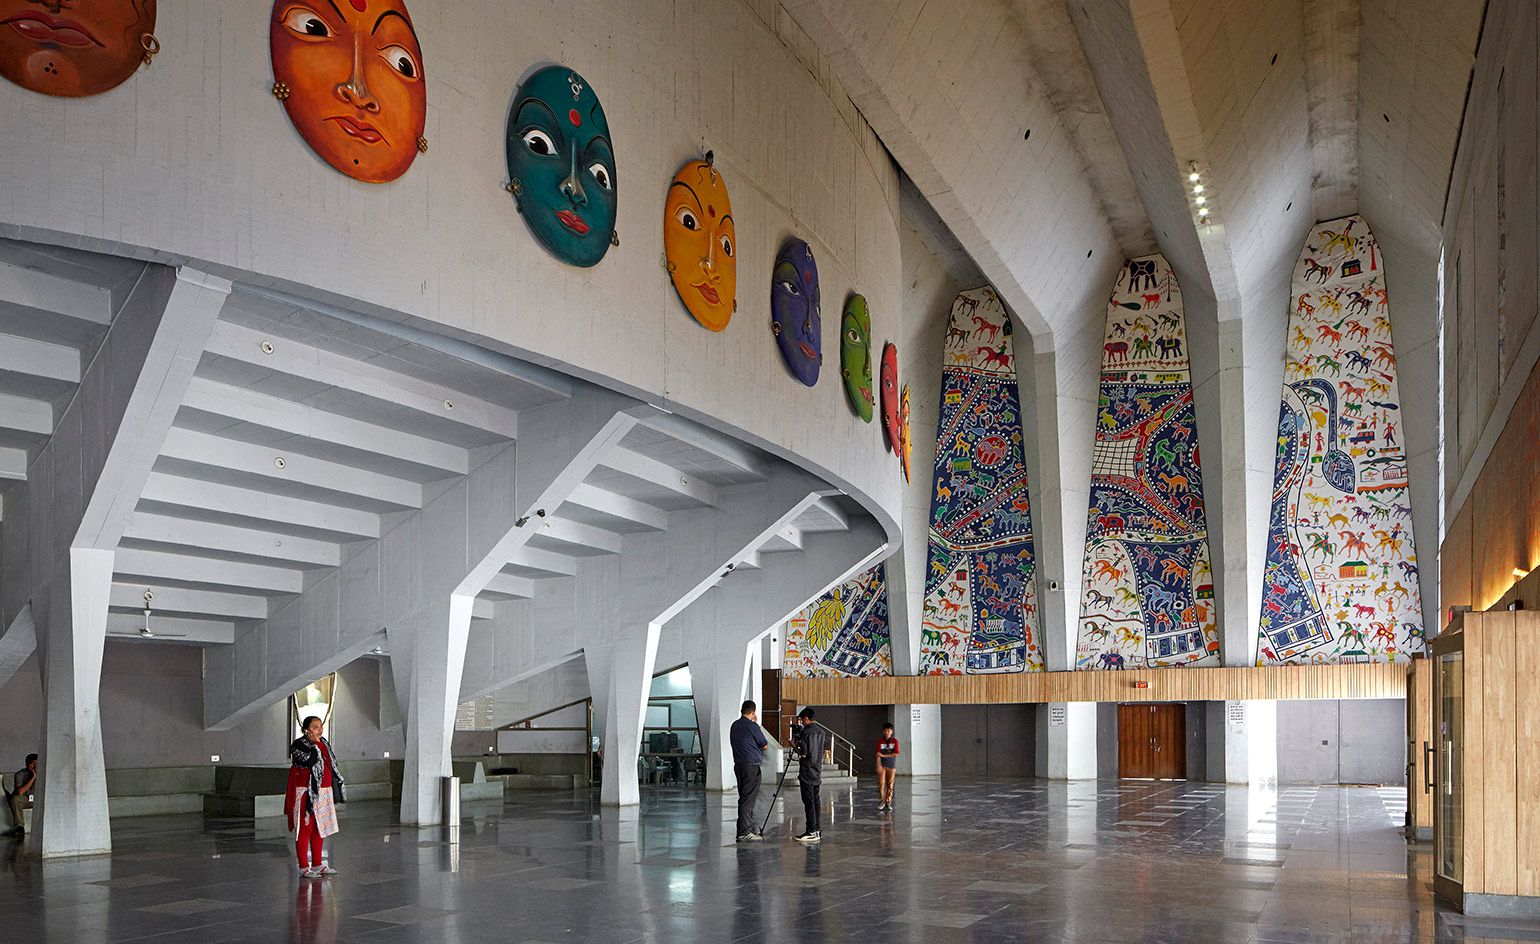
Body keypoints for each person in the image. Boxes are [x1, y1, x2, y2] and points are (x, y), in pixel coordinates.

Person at [285, 717, 346, 878]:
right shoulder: (299, 745)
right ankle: (303, 866)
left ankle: (318, 864)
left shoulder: (323, 742)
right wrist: (315, 745)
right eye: (315, 727)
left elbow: (331, 762)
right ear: (307, 730)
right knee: (305, 828)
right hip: (307, 791)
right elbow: (310, 760)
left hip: (323, 792)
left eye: (320, 726)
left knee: (320, 828)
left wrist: (318, 744)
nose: (319, 729)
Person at [730, 700, 768, 842]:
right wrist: (754, 723)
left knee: (743, 797)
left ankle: (744, 829)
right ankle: (744, 831)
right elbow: (764, 744)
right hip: (751, 767)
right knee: (748, 799)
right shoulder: (752, 726)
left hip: (739, 765)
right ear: (753, 712)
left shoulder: (734, 725)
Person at [792, 708, 828, 844]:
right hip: (817, 770)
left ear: (806, 718)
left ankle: (811, 831)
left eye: (802, 720)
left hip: (807, 771)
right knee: (816, 801)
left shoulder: (805, 732)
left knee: (808, 802)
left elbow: (804, 753)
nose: (802, 722)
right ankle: (817, 830)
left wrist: (794, 746)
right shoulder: (821, 732)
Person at [6, 754, 37, 835]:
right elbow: (20, 792)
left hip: (38, 799)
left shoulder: (43, 775)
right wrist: (33, 777)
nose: (35, 766)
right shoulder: (20, 774)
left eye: (37, 764)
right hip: (26, 798)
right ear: (27, 764)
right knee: (15, 800)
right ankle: (19, 827)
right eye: (32, 764)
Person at [875, 722, 900, 811]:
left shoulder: (894, 741)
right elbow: (878, 754)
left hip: (891, 765)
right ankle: (882, 801)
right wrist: (878, 764)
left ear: (891, 732)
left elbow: (896, 754)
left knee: (890, 784)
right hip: (882, 765)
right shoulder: (880, 741)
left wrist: (884, 755)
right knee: (881, 783)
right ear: (883, 731)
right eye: (885, 731)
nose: (887, 732)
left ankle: (888, 802)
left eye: (888, 731)